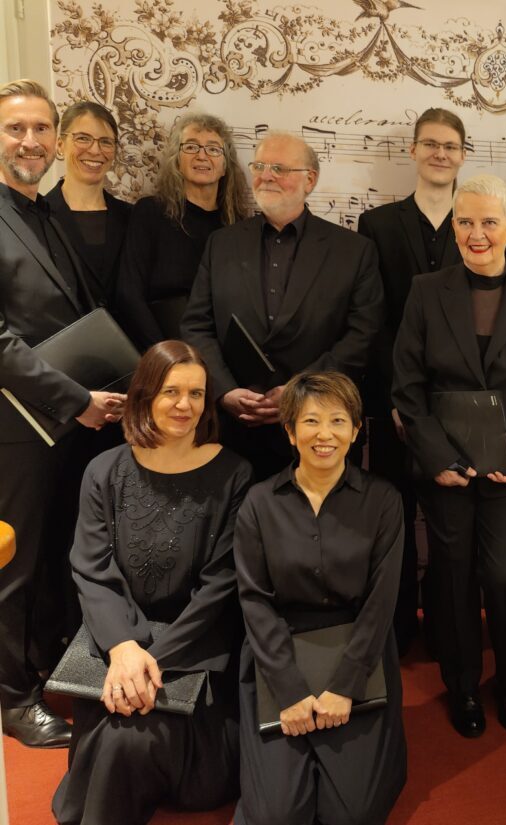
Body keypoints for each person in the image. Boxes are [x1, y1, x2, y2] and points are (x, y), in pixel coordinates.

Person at [392, 174, 506, 738]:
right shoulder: (426, 290)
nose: (477, 233)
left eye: (489, 222)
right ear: (453, 228)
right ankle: (464, 687)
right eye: (466, 222)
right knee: (452, 577)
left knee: (502, 578)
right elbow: (407, 388)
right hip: (445, 469)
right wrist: (437, 459)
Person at [53, 340, 251, 825]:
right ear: (145, 395)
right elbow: (92, 568)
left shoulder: (235, 475)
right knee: (118, 734)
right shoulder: (104, 471)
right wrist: (123, 649)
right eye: (171, 392)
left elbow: (220, 587)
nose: (185, 405)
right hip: (118, 643)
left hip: (193, 650)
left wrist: (151, 662)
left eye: (196, 393)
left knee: (126, 741)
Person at [0, 79, 125, 748]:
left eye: (41, 128)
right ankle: (14, 699)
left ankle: (43, 668)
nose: (31, 141)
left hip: (60, 424)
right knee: (14, 569)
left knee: (52, 558)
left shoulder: (42, 211)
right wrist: (78, 399)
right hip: (16, 426)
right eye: (15, 128)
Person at [234, 371, 406, 824]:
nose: (324, 434)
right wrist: (288, 689)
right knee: (275, 815)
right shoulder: (258, 503)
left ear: (356, 430)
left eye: (338, 421)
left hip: (359, 650)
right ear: (290, 432)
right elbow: (254, 600)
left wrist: (346, 686)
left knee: (353, 815)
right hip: (278, 650)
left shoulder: (384, 501)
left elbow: (381, 603)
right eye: (311, 421)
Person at [181, 132, 385, 480]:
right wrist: (224, 390)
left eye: (279, 168)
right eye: (259, 166)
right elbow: (196, 325)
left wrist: (298, 393)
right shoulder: (221, 244)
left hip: (316, 431)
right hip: (232, 432)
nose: (266, 176)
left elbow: (362, 337)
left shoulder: (354, 251)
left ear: (310, 180)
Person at [357, 107, 466, 654]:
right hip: (391, 399)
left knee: (451, 526)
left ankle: (448, 632)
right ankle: (397, 630)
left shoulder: (478, 223)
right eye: (430, 144)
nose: (439, 154)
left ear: (462, 155)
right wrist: (399, 400)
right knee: (392, 518)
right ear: (414, 151)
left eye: (450, 146)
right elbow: (373, 319)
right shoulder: (377, 224)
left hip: (456, 405)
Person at [115, 113, 249, 349]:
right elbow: (129, 293)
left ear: (225, 166)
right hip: (163, 347)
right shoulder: (150, 212)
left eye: (213, 149)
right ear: (177, 160)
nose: (202, 155)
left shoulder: (238, 226)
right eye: (191, 147)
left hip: (220, 354)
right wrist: (166, 355)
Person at [44, 100, 131, 310]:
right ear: (60, 145)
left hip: (127, 331)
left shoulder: (132, 217)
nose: (95, 150)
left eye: (106, 142)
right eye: (83, 138)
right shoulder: (38, 216)